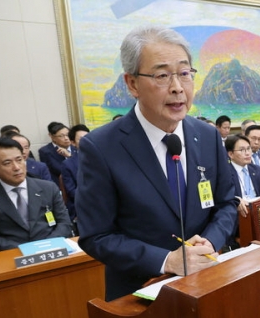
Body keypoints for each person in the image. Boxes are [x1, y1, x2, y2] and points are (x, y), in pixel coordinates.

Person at [76, 25, 236, 301]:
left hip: (207, 281)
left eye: (185, 74)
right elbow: (96, 236)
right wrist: (167, 260)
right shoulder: (101, 147)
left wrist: (210, 241)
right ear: (132, 84)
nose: (177, 88)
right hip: (141, 296)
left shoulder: (207, 135)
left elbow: (226, 203)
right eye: (162, 75)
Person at [0, 138, 72, 253]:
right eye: (7, 163)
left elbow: (64, 224)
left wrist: (45, 247)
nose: (17, 167)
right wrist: (26, 250)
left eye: (19, 160)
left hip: (51, 251)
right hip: (10, 256)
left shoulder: (48, 188)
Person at [61, 124, 90, 220]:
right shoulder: (68, 164)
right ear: (73, 143)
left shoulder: (100, 159)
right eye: (81, 139)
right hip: (82, 205)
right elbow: (72, 191)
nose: (86, 141)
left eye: (88, 137)